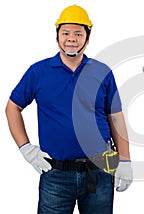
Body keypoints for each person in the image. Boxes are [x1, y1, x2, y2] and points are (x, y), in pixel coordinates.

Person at [5, 4, 132, 214]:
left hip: (99, 172)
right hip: (55, 175)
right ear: (57, 37)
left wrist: (126, 161)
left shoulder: (102, 72)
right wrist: (25, 147)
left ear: (87, 38)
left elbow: (116, 118)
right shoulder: (38, 72)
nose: (71, 38)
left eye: (78, 33)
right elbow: (12, 107)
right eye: (65, 33)